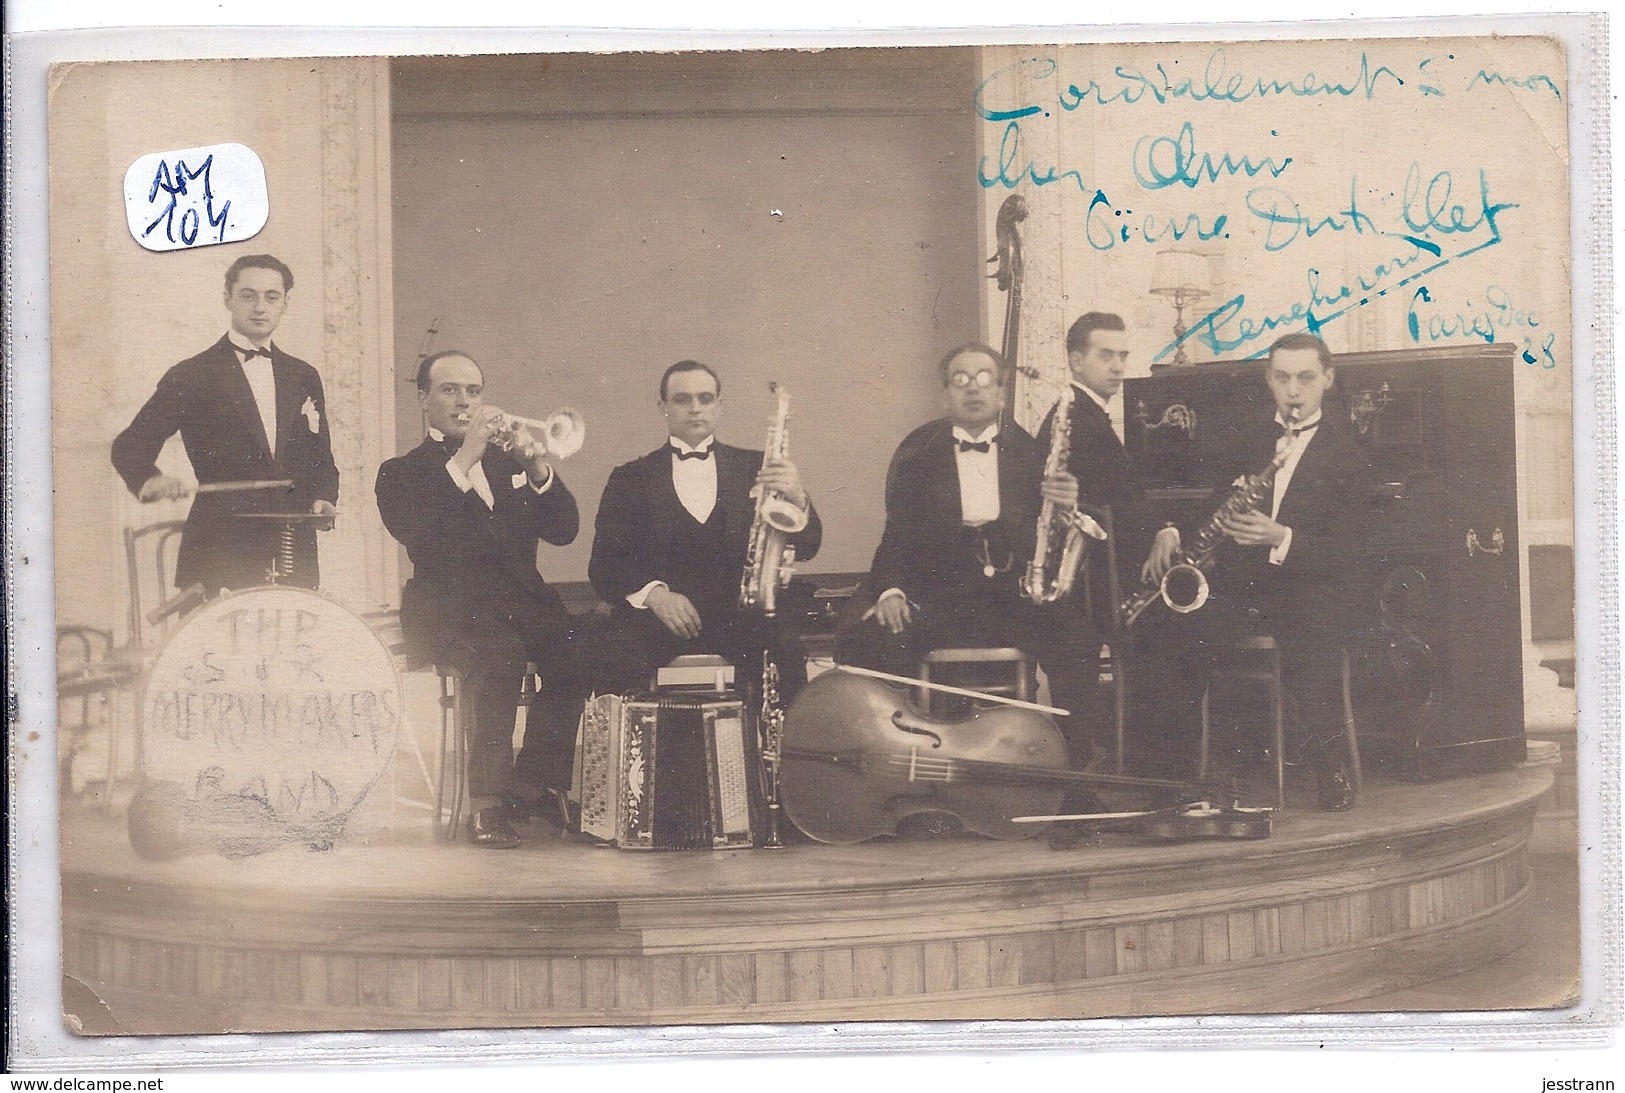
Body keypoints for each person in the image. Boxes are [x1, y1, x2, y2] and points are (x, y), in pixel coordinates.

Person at [1135, 331, 1372, 810]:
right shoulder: (1246, 441)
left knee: (1310, 640)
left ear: (1327, 379)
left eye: (1305, 378)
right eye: (1282, 378)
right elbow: (1212, 504)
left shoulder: (1351, 455)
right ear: (1268, 379)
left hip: (1311, 588)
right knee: (1181, 629)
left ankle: (1330, 765)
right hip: (1243, 587)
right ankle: (1190, 774)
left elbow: (1352, 551)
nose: (1293, 391)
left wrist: (1279, 537)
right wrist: (1171, 530)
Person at [835, 342, 1098, 769]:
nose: (972, 389)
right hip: (939, 598)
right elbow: (895, 537)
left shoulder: (1034, 456)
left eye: (983, 379)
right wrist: (892, 591)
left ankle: (1071, 772)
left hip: (1016, 599)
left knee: (1076, 640)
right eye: (960, 380)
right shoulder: (919, 460)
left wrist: (1069, 505)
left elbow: (1049, 537)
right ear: (945, 396)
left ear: (1000, 394)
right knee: (869, 641)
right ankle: (905, 769)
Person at [375, 349, 589, 848]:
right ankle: (486, 804)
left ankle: (533, 784)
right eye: (449, 390)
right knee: (499, 653)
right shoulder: (400, 471)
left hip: (520, 603)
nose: (464, 401)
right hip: (450, 611)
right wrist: (466, 454)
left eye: (473, 391)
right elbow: (418, 532)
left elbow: (564, 531)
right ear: (423, 397)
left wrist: (537, 467)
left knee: (581, 649)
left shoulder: (507, 462)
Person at [588, 360, 822, 700]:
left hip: (741, 616)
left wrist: (798, 496)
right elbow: (603, 566)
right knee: (615, 660)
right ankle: (638, 752)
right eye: (682, 399)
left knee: (785, 654)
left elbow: (809, 545)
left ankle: (780, 752)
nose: (695, 408)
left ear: (719, 406)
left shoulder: (758, 468)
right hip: (660, 619)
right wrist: (656, 594)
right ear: (663, 408)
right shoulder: (630, 478)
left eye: (705, 398)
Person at [112, 254, 339, 593]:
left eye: (271, 296)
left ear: (285, 303)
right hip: (220, 552)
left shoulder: (303, 375)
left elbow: (322, 457)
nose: (259, 307)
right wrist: (149, 480)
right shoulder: (191, 374)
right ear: (227, 299)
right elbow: (129, 447)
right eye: (248, 295)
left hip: (293, 549)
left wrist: (324, 498)